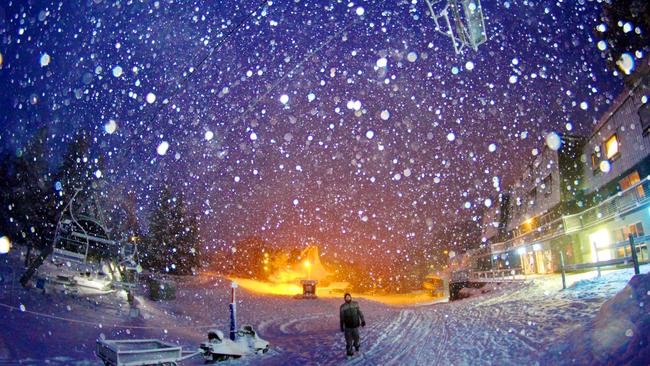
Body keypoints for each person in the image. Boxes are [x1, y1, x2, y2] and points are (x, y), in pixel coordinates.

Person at [340, 293, 365, 357]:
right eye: (346, 297)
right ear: (344, 298)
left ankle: (356, 345)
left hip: (355, 325)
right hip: (348, 327)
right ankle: (349, 352)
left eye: (349, 297)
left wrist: (363, 320)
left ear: (350, 297)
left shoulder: (355, 304)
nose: (347, 298)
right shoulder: (342, 307)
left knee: (357, 338)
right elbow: (342, 317)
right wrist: (341, 325)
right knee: (348, 341)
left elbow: (360, 312)